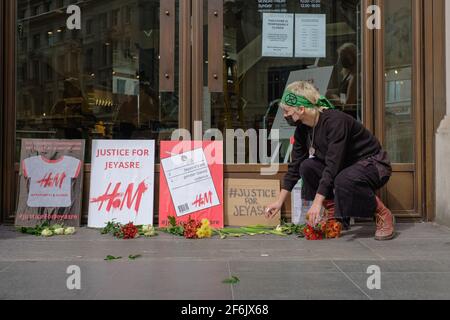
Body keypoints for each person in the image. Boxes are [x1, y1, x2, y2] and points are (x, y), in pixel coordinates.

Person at [266, 81, 395, 241]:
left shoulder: (335, 122)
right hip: (345, 167)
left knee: (345, 178)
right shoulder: (302, 129)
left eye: (287, 111)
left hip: (373, 164)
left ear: (301, 109)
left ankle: (382, 214)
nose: (284, 115)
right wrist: (279, 202)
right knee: (307, 166)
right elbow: (295, 167)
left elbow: (333, 165)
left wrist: (316, 203)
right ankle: (334, 212)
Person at [326, 43, 358, 119]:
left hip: (349, 118)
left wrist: (332, 96)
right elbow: (343, 91)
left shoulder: (354, 78)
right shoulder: (347, 76)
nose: (338, 61)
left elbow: (348, 105)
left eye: (341, 57)